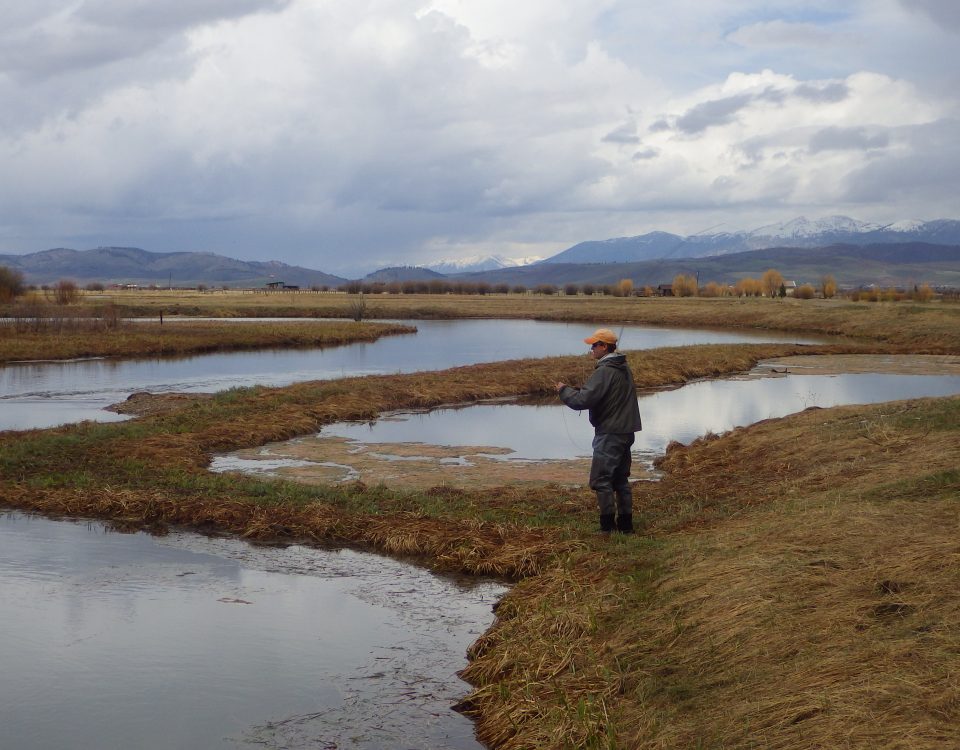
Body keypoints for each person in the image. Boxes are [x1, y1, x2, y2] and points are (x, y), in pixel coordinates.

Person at [555, 328, 642, 534]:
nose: (591, 349)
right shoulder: (623, 367)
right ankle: (626, 527)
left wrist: (563, 390)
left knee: (601, 480)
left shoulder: (604, 371)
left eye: (594, 345)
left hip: (610, 433)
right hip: (626, 431)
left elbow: (581, 401)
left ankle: (607, 528)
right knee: (620, 479)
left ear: (604, 346)